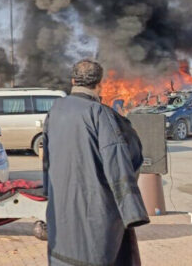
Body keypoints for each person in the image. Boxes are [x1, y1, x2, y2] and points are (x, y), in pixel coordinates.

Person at [43, 59, 149, 265]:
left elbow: (47, 158)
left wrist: (48, 190)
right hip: (95, 208)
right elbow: (118, 159)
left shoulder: (55, 109)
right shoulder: (101, 114)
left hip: (61, 207)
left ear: (73, 80)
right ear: (100, 84)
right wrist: (131, 210)